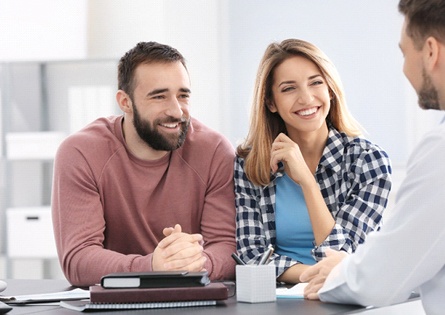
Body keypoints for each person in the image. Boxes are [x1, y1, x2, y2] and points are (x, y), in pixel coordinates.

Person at [51, 41, 236, 287]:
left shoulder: (214, 151)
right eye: (159, 96)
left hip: (194, 296)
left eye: (183, 95)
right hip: (116, 302)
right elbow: (79, 259)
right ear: (125, 102)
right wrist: (153, 267)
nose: (176, 110)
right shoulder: (80, 153)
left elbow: (228, 247)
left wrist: (196, 262)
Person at [301, 1, 445, 314]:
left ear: (431, 51)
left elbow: (384, 277)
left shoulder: (441, 150)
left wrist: (339, 271)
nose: (404, 68)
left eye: (404, 53)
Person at [235, 38, 392, 284]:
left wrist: (308, 182)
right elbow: (252, 257)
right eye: (289, 88)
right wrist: (313, 275)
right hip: (279, 298)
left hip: (347, 298)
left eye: (316, 82)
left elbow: (344, 255)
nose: (306, 98)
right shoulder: (250, 163)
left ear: (330, 89)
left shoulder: (368, 162)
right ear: (270, 102)